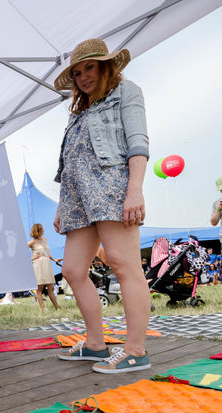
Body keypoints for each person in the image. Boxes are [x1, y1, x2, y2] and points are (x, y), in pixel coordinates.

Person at [52, 38, 152, 374]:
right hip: (76, 197)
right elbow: (71, 161)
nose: (83, 77)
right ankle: (96, 344)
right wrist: (61, 205)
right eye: (77, 72)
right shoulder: (79, 110)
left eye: (89, 67)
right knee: (72, 270)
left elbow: (138, 143)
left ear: (106, 65)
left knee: (124, 266)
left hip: (111, 189)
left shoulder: (127, 92)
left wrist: (134, 190)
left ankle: (135, 349)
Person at [28, 223, 61, 311]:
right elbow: (21, 251)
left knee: (51, 287)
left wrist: (54, 260)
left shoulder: (45, 239)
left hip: (47, 264)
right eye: (42, 229)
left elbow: (47, 253)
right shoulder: (32, 242)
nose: (44, 231)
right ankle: (43, 308)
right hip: (38, 265)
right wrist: (31, 258)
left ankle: (57, 306)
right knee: (40, 288)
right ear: (38, 231)